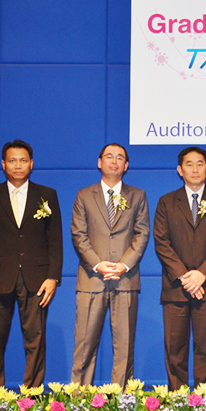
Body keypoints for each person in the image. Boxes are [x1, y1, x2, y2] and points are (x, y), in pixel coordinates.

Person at [0, 139, 63, 388]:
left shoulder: (47, 195)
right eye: (12, 161)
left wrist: (53, 277)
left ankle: (31, 397)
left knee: (36, 340)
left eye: (23, 160)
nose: (17, 166)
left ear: (31, 164)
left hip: (37, 279)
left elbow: (56, 241)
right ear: (3, 164)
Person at [154, 146, 206, 390]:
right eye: (189, 164)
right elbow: (162, 242)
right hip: (175, 287)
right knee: (175, 349)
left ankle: (203, 401)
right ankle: (176, 400)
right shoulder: (166, 202)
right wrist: (185, 277)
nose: (195, 169)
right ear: (180, 170)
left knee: (205, 349)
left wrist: (201, 274)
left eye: (200, 164)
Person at [70, 143, 150, 386]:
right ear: (99, 162)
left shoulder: (138, 195)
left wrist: (123, 265)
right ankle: (79, 402)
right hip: (92, 278)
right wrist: (98, 264)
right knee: (84, 346)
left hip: (125, 280)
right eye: (109, 157)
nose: (114, 161)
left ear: (126, 165)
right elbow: (78, 235)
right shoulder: (84, 195)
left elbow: (142, 233)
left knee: (124, 348)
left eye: (120, 158)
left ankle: (121, 404)